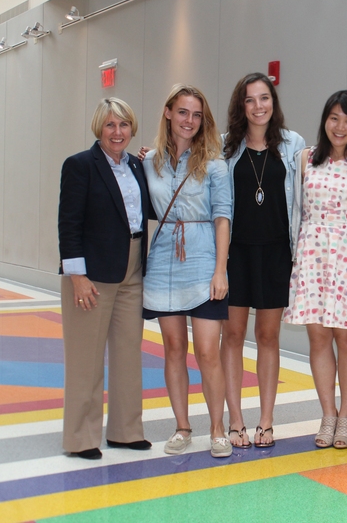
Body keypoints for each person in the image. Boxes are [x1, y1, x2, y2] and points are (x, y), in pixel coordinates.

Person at [141, 84, 233, 458]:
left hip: (204, 262)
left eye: (196, 115)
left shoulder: (215, 164)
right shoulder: (148, 163)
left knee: (208, 351)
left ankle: (217, 429)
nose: (189, 121)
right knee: (174, 348)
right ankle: (182, 427)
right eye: (182, 112)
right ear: (168, 113)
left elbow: (223, 217)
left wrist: (221, 270)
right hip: (163, 264)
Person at [57, 98, 152, 460]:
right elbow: (69, 224)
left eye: (124, 125)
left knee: (129, 353)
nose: (117, 132)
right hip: (92, 273)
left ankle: (126, 431)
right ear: (99, 127)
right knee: (85, 358)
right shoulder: (80, 166)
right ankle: (81, 437)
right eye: (110, 125)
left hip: (131, 268)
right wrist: (76, 276)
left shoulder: (138, 168)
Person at [284, 90, 347, 450]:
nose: (340, 127)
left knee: (346, 338)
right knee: (319, 338)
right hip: (311, 258)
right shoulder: (305, 159)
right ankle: (327, 414)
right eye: (334, 118)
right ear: (325, 120)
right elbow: (296, 211)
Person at [220, 73, 305, 449]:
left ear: (274, 102)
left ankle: (266, 422)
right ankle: (236, 420)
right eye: (250, 100)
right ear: (242, 106)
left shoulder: (293, 144)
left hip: (276, 253)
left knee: (268, 337)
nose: (259, 106)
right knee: (233, 336)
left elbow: (321, 174)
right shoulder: (224, 147)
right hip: (235, 253)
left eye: (264, 98)